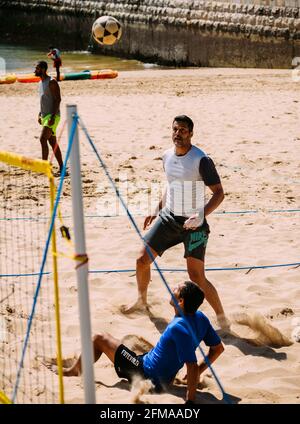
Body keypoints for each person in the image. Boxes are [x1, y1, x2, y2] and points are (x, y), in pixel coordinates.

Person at [122, 115, 229, 330]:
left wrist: (201, 215)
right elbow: (171, 185)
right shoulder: (166, 156)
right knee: (142, 259)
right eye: (175, 129)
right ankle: (142, 302)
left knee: (196, 276)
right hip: (169, 218)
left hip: (195, 224)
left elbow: (219, 193)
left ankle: (222, 319)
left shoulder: (201, 160)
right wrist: (157, 208)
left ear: (191, 133)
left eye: (182, 130)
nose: (177, 134)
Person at [60, 281, 224, 404]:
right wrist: (194, 376)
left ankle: (73, 372)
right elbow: (217, 349)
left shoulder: (178, 327)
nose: (172, 289)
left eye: (176, 289)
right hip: (163, 378)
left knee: (99, 338)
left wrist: (190, 401)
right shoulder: (201, 317)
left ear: (180, 301)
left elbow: (192, 364)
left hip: (144, 374)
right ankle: (80, 368)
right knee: (128, 347)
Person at [34, 61, 64, 174]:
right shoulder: (40, 82)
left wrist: (52, 116)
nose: (35, 70)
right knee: (52, 142)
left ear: (43, 69)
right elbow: (44, 100)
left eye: (37, 68)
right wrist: (39, 114)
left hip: (53, 116)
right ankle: (62, 167)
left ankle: (44, 167)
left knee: (42, 139)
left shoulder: (51, 82)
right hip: (45, 116)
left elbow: (58, 100)